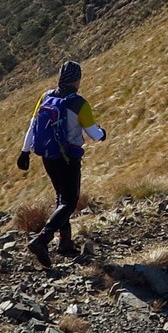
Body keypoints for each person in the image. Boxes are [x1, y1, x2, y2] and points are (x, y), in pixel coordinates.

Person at [17, 60, 105, 268]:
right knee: (70, 201)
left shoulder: (46, 96)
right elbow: (94, 134)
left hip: (48, 156)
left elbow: (33, 126)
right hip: (69, 158)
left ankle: (65, 243)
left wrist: (24, 152)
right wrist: (103, 134)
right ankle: (42, 239)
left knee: (60, 197)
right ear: (77, 79)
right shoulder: (79, 103)